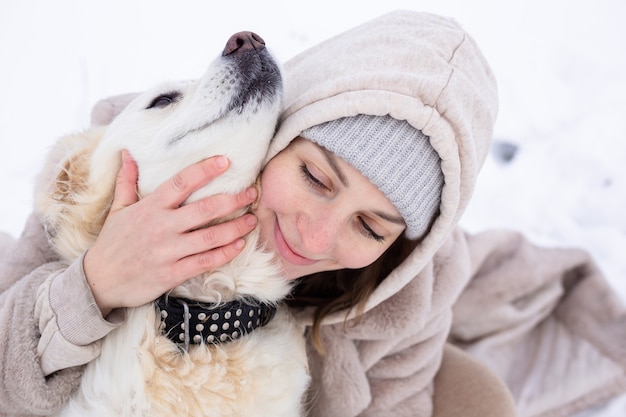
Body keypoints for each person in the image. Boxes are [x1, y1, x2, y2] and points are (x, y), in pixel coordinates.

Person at [1, 10, 625, 417]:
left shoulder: (412, 292)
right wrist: (96, 284)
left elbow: (394, 405)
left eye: (370, 226)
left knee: (481, 398)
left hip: (329, 365)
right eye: (316, 178)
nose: (314, 234)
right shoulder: (122, 157)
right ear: (279, 129)